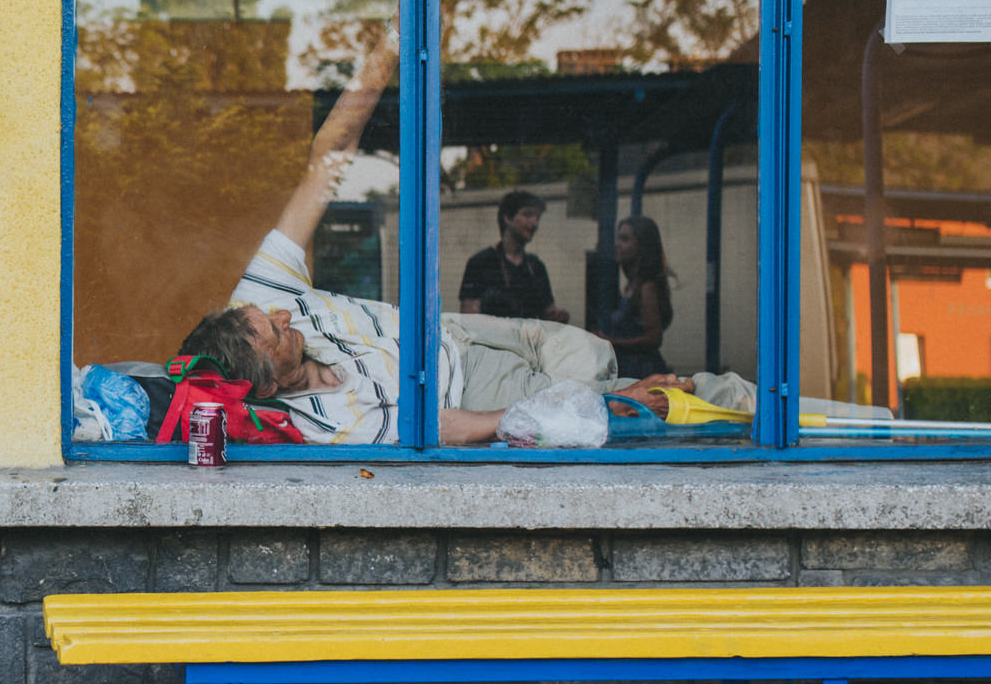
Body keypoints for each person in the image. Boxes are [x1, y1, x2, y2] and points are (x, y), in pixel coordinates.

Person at [175, 47, 889, 445]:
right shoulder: (322, 423)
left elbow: (323, 166)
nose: (288, 316)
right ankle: (863, 429)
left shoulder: (257, 297)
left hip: (451, 337)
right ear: (263, 377)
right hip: (472, 389)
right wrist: (555, 413)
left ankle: (616, 388)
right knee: (673, 396)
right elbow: (443, 425)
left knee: (599, 357)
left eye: (275, 314)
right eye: (276, 330)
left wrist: (381, 59)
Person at [460, 190, 567, 323]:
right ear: (507, 218)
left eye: (537, 217)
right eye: (527, 215)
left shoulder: (536, 266)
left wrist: (558, 317)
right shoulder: (480, 262)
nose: (534, 223)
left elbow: (549, 314)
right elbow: (469, 319)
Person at [594, 216, 672, 377]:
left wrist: (611, 342)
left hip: (642, 371)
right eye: (618, 238)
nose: (617, 244)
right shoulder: (631, 286)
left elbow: (654, 337)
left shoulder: (646, 288)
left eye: (625, 239)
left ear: (642, 247)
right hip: (630, 368)